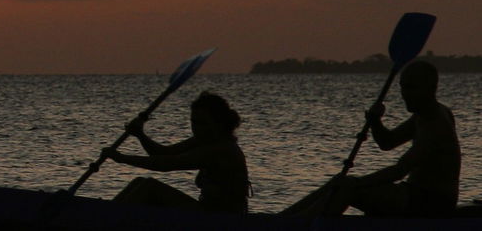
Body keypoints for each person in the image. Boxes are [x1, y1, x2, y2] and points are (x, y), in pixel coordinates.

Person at [284, 59, 460, 217]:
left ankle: (299, 224)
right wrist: (375, 121)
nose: (404, 94)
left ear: (431, 88)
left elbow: (399, 171)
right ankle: (285, 218)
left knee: (346, 186)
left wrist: (357, 184)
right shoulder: (422, 115)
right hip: (412, 194)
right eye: (402, 87)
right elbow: (387, 142)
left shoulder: (436, 124)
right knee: (340, 182)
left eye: (412, 88)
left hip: (432, 203)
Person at [101, 91, 250, 214]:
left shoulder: (221, 149)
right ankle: (108, 215)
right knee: (139, 182)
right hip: (207, 211)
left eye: (203, 123)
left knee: (150, 187)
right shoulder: (202, 140)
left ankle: (110, 220)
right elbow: (163, 153)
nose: (196, 128)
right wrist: (140, 135)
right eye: (194, 122)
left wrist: (122, 158)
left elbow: (166, 164)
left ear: (219, 123)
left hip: (222, 217)